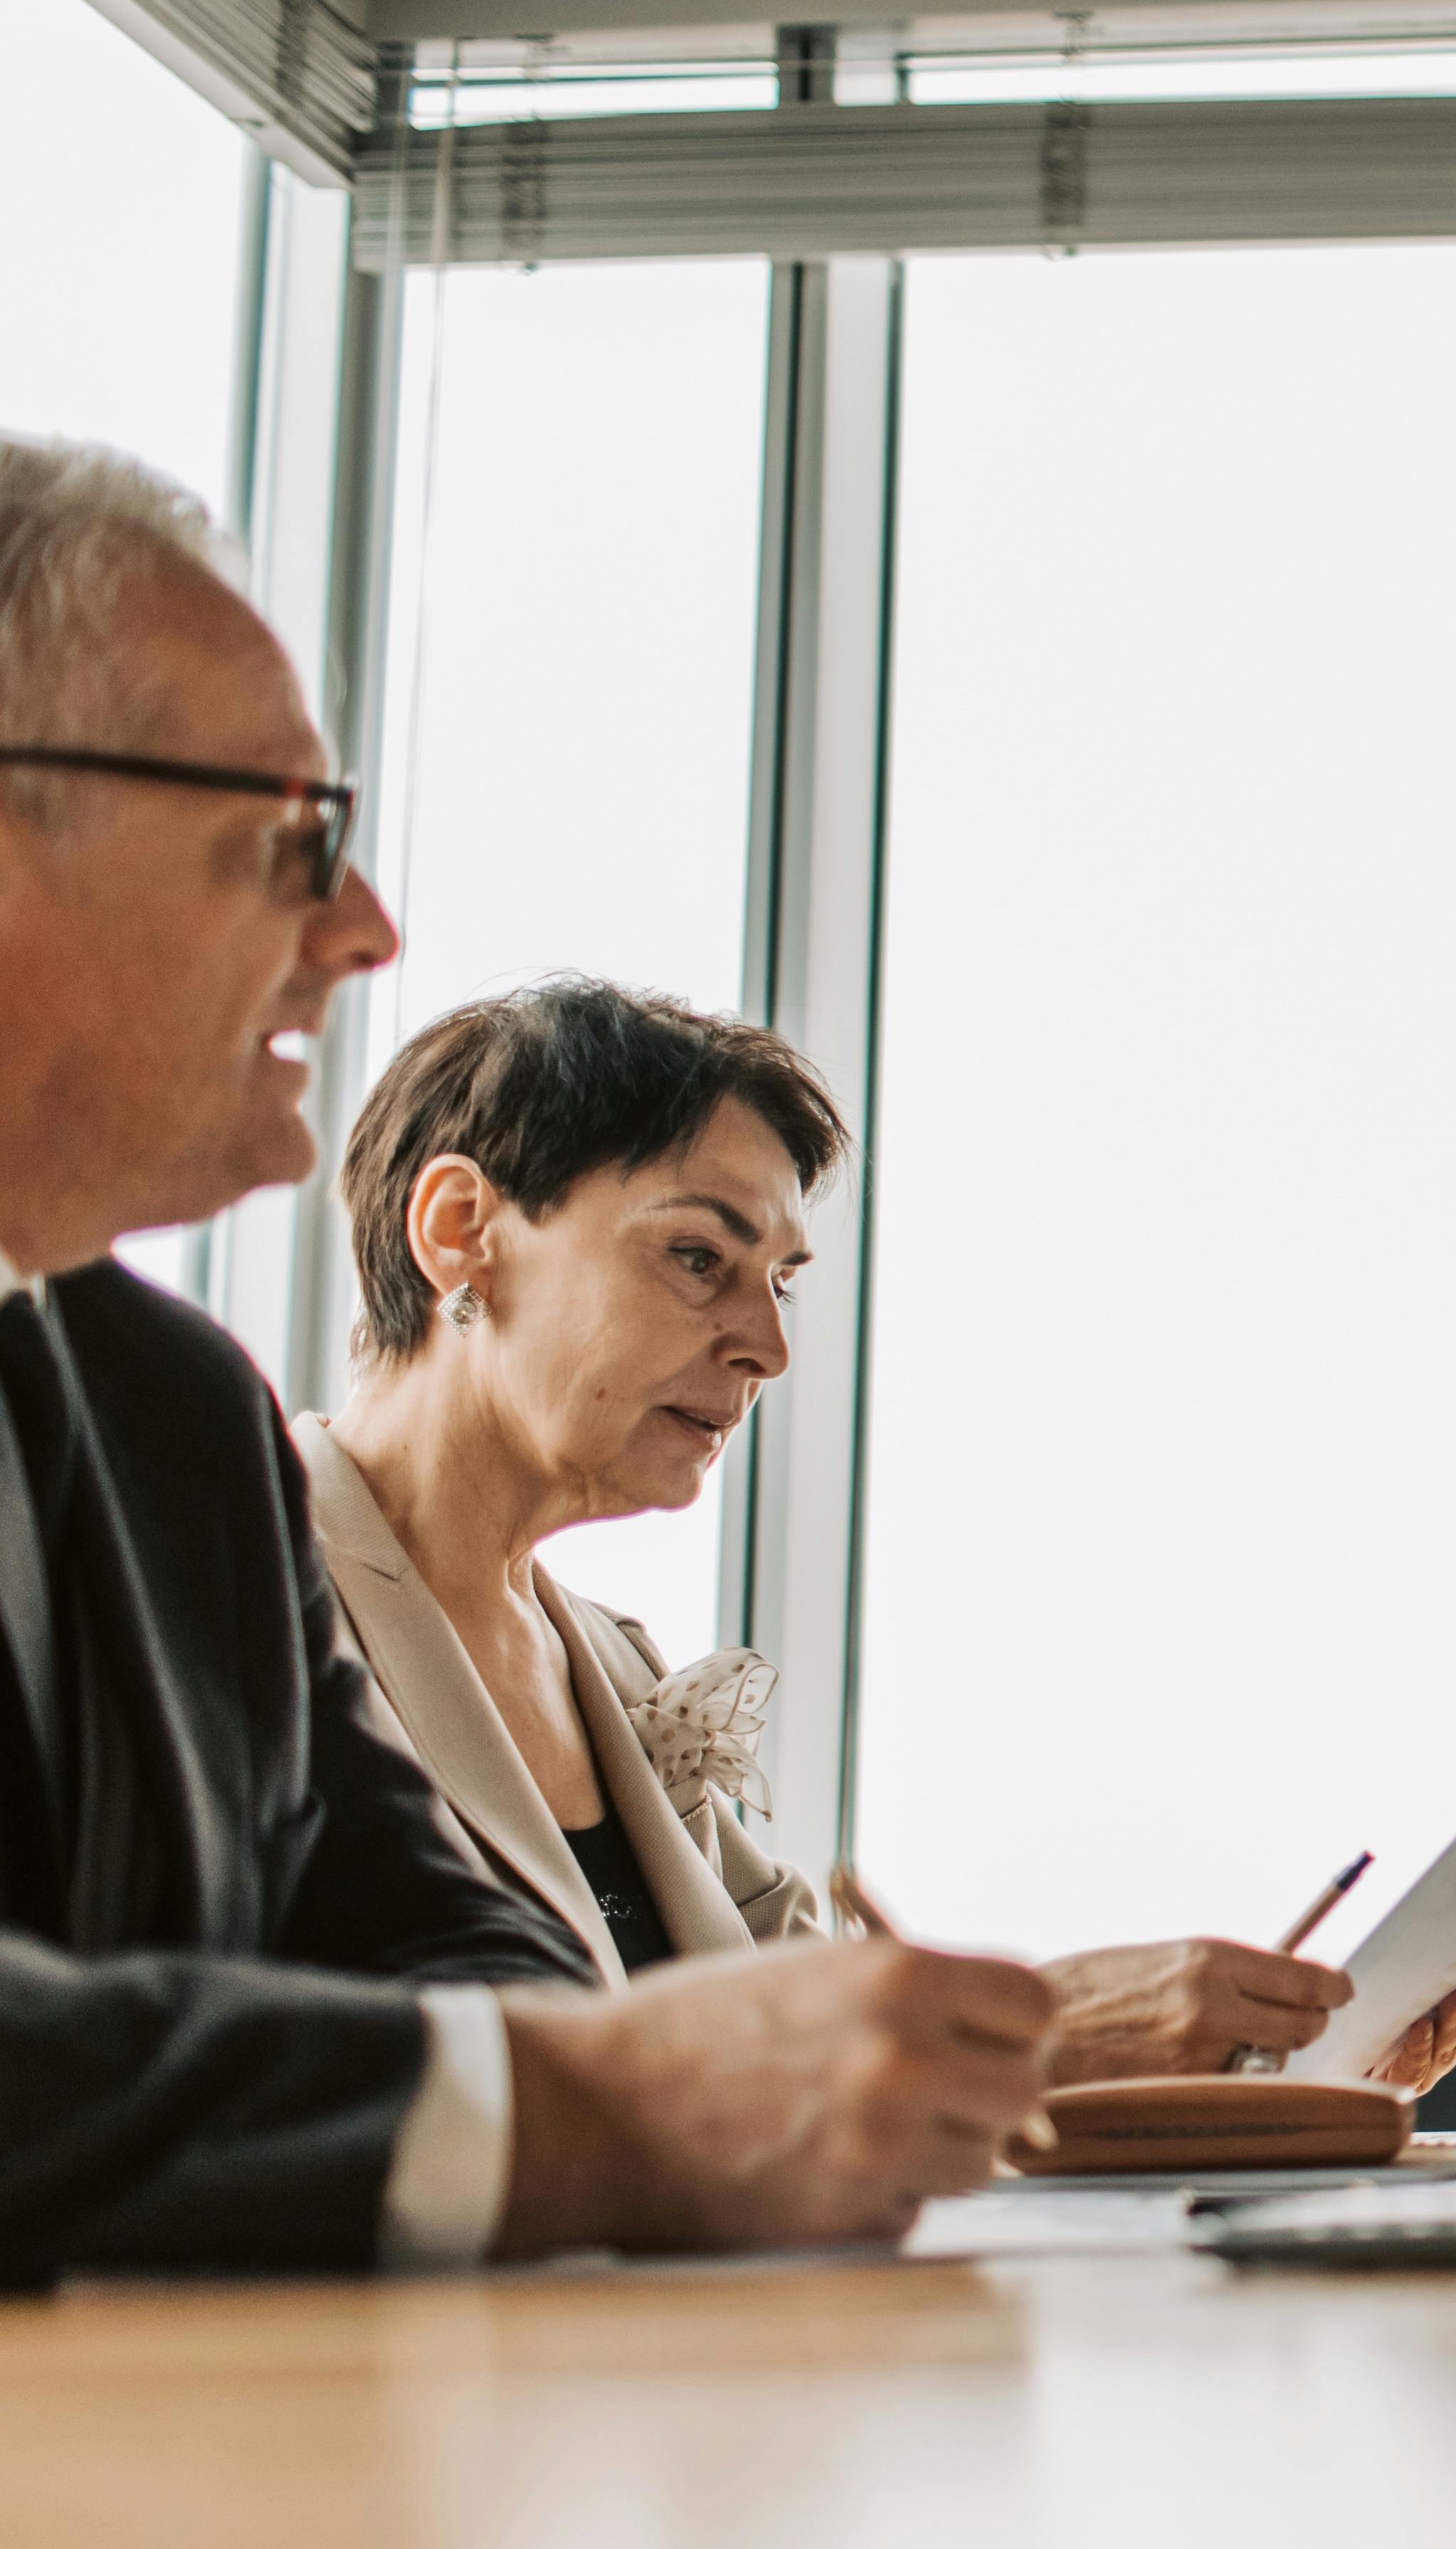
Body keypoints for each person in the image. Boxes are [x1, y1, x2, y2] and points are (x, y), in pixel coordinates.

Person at [0, 431, 1051, 2282]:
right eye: (292, 835)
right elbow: (535, 2065)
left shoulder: (176, 1416)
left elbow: (445, 1939)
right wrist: (587, 2113)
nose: (366, 927)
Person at [291, 976, 1456, 2083]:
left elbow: (807, 2046)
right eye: (699, 1257)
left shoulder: (613, 1667)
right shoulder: (241, 1599)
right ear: (461, 1230)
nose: (768, 1349)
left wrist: (1263, 2073)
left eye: (780, 1282)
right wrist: (1047, 2028)